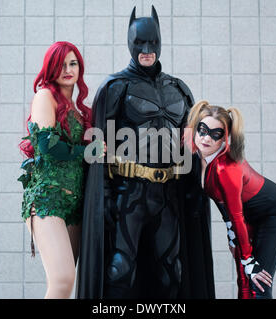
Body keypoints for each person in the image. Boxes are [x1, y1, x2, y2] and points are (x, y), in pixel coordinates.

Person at [77, 6, 215, 299]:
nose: (147, 49)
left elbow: (191, 146)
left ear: (160, 42)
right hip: (129, 194)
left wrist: (195, 193)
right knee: (120, 271)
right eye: (140, 43)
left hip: (169, 195)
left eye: (152, 42)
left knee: (173, 272)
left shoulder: (179, 90)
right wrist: (104, 198)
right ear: (130, 43)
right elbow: (97, 149)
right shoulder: (115, 88)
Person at [184, 100, 276, 299]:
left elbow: (236, 215)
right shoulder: (199, 156)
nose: (206, 138)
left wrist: (249, 260)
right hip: (244, 215)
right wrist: (232, 236)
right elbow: (222, 203)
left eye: (215, 134)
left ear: (224, 139)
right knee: (243, 280)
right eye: (203, 130)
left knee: (257, 282)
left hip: (272, 213)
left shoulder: (225, 168)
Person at [18, 41, 92, 299]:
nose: (68, 69)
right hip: (47, 199)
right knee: (62, 280)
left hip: (75, 204)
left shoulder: (80, 111)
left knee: (66, 285)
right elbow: (47, 146)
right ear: (51, 68)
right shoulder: (44, 96)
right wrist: (86, 151)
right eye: (61, 64)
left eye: (73, 63)